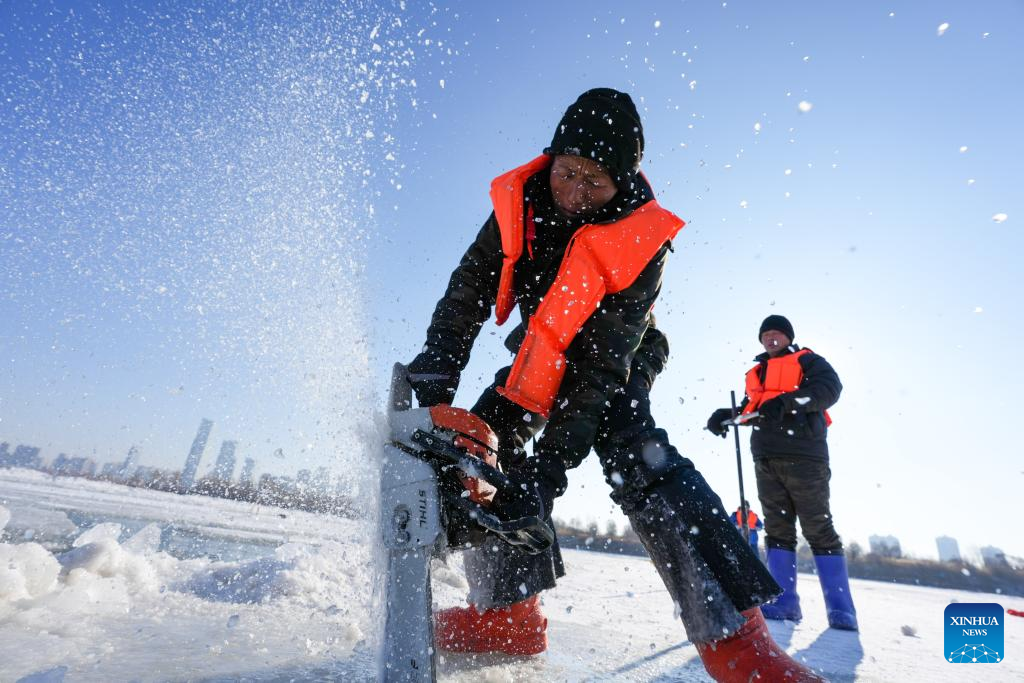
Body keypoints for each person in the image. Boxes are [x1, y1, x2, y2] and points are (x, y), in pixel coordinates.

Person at [407, 88, 824, 681]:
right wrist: (437, 369)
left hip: (617, 354)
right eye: (568, 172)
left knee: (633, 447)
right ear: (551, 158)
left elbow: (600, 371)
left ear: (620, 183)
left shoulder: (642, 238)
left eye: (595, 182)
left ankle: (738, 639)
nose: (576, 192)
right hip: (540, 352)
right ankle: (507, 615)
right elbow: (470, 287)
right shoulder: (521, 202)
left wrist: (549, 473)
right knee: (484, 444)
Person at [707, 314, 858, 631]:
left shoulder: (809, 361)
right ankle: (784, 603)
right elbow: (754, 410)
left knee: (818, 527)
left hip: (805, 456)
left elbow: (829, 389)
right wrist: (727, 416)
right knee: (777, 529)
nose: (771, 338)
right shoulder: (759, 372)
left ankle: (841, 610)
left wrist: (788, 403)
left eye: (777, 333)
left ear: (789, 337)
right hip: (766, 457)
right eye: (766, 335)